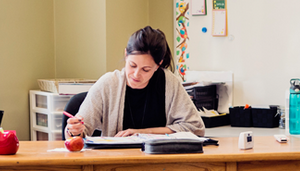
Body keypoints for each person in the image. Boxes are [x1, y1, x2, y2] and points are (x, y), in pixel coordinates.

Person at [65, 26, 204, 138]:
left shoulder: (169, 83)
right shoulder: (108, 84)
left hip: (159, 164)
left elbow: (195, 128)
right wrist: (74, 130)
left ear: (158, 65)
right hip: (115, 163)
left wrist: (143, 133)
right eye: (132, 65)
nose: (136, 74)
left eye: (146, 69)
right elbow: (79, 132)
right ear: (126, 55)